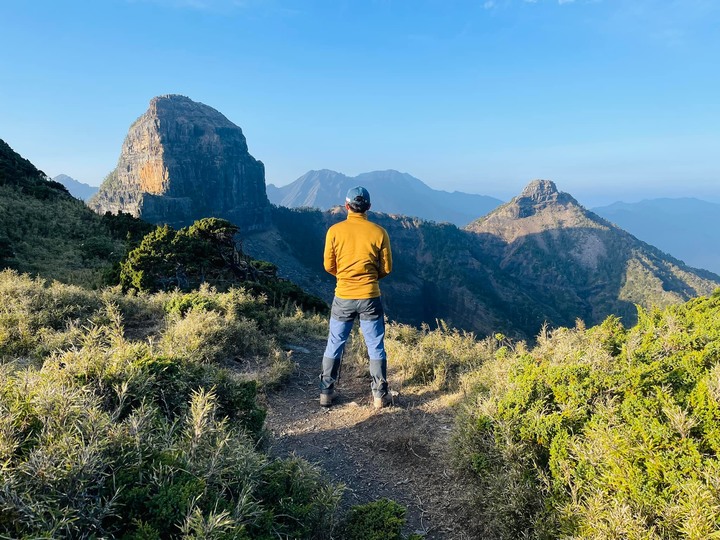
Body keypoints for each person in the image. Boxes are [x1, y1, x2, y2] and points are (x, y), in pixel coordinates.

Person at [319, 186, 393, 409]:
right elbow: (387, 268)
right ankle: (380, 395)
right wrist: (369, 278)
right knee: (375, 345)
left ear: (347, 206)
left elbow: (328, 265)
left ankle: (326, 392)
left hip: (343, 296)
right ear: (368, 207)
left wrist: (345, 276)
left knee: (335, 343)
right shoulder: (379, 233)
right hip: (370, 296)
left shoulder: (334, 231)